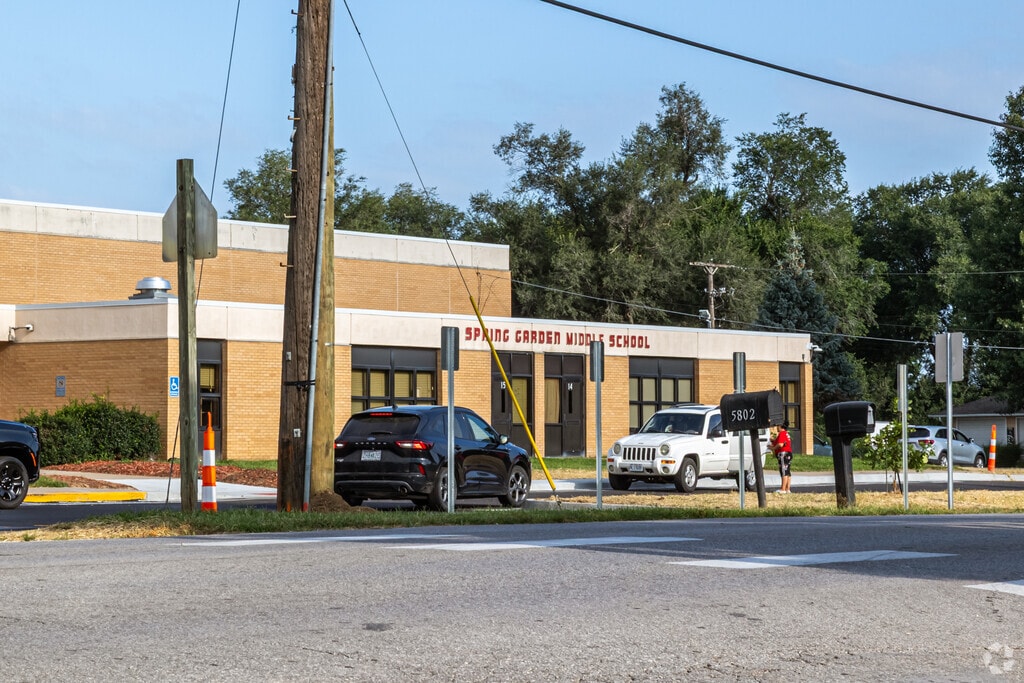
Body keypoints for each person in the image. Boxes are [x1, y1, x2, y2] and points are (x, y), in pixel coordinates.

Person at [770, 422, 793, 494]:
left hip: (784, 454)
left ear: (780, 426)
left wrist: (773, 448)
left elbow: (780, 444)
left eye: (777, 426)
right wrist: (773, 441)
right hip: (788, 453)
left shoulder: (782, 433)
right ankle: (787, 489)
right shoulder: (786, 433)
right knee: (787, 471)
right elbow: (777, 442)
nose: (776, 427)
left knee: (784, 471)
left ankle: (782, 489)